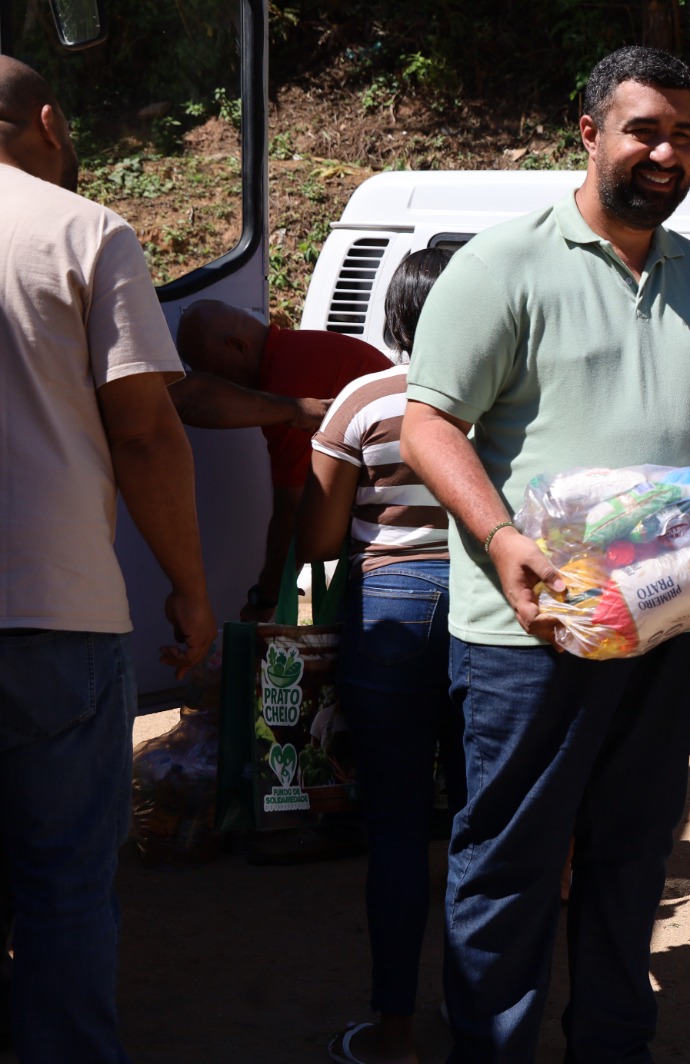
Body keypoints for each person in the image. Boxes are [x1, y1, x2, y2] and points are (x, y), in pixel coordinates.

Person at [398, 47, 690, 1062]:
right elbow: (428, 423)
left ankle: (612, 1044)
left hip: (671, 624)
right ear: (590, 132)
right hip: (533, 632)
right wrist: (502, 539)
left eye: (685, 135)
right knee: (511, 864)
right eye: (644, 129)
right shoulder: (502, 264)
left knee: (632, 856)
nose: (667, 152)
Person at [0, 56, 214, 1063]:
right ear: (48, 122)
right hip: (54, 615)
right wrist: (191, 586)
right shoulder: (81, 230)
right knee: (64, 885)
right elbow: (144, 432)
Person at [297, 248, 461, 1064]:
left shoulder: (364, 399)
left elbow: (320, 538)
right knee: (478, 826)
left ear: (396, 314)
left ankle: (395, 1035)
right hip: (490, 609)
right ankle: (479, 1023)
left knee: (395, 829)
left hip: (389, 607)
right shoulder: (510, 395)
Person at [171, 299, 391, 620]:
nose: (220, 390)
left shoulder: (286, 379)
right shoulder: (297, 352)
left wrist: (264, 599)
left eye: (213, 375)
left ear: (237, 346)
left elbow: (293, 511)